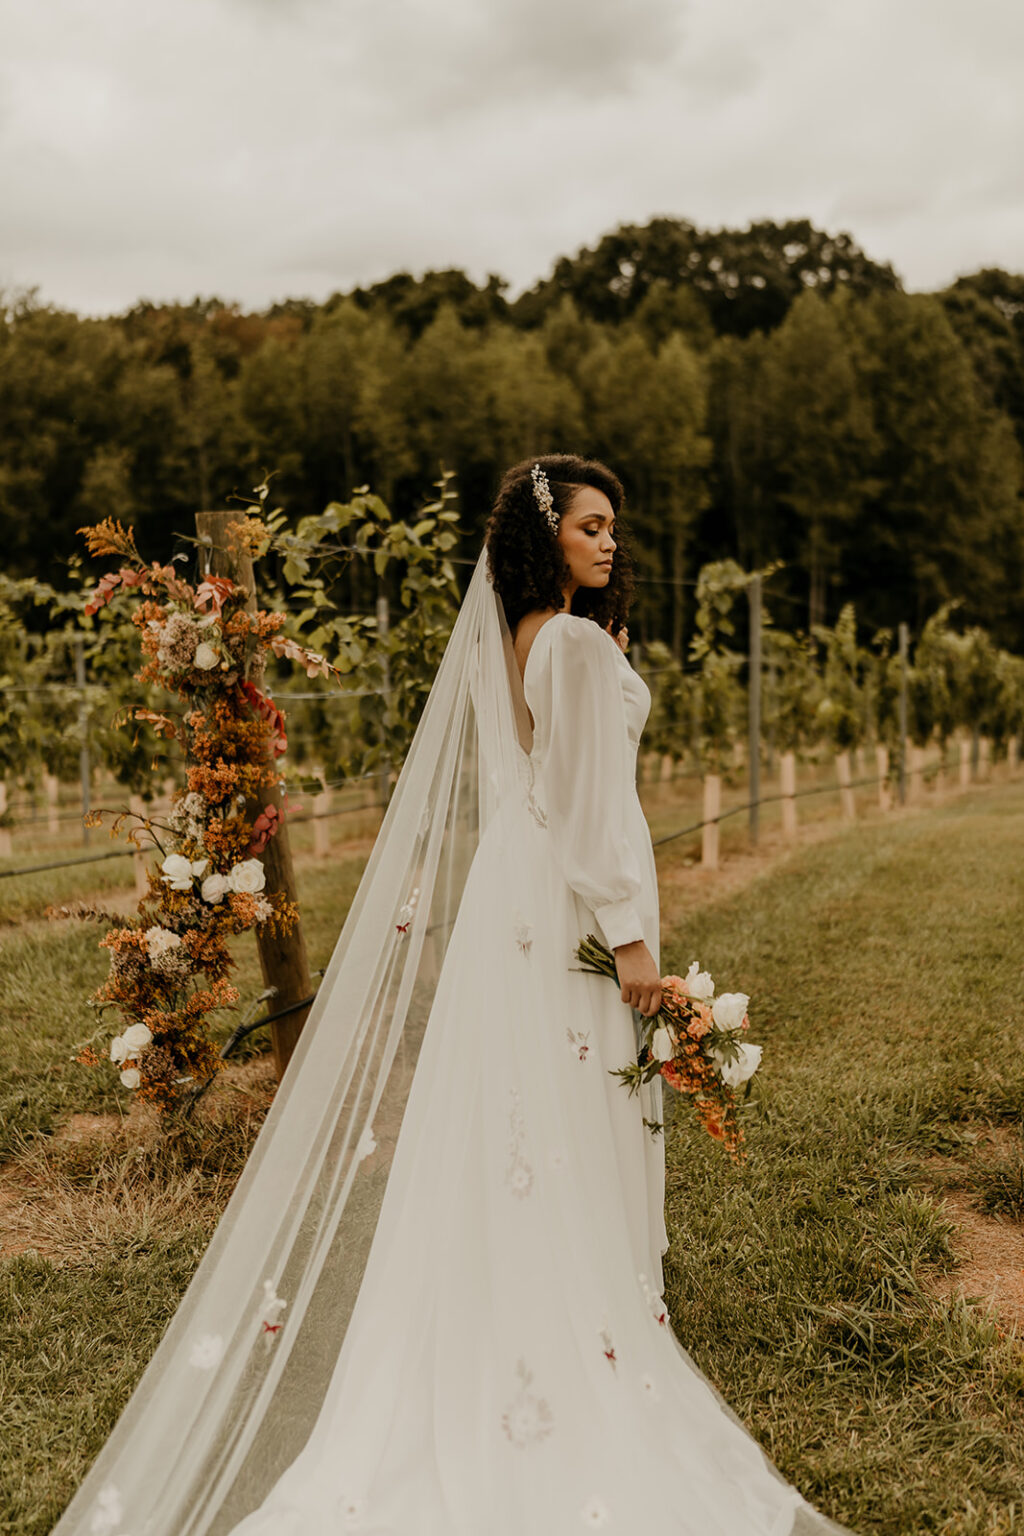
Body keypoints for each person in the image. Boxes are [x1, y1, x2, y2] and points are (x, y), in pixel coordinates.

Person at [54, 456, 847, 1536]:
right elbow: (588, 804)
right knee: (564, 1108)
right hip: (566, 895)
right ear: (542, 538)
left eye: (614, 527)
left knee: (526, 1112)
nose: (610, 543)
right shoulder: (564, 641)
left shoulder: (537, 635)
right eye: (589, 526)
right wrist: (629, 942)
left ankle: (542, 1309)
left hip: (514, 895)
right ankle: (580, 1327)